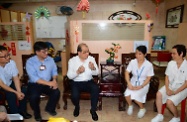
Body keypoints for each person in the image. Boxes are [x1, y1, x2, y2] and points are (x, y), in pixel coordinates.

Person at [151, 44, 187, 122]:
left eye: (174, 53)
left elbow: (186, 83)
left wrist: (175, 92)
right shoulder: (171, 63)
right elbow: (167, 77)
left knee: (169, 102)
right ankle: (160, 115)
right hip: (170, 86)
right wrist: (167, 88)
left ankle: (176, 117)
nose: (171, 55)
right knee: (159, 94)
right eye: (171, 53)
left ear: (181, 54)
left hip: (182, 88)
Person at [26, 41, 60, 121]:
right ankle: (37, 113)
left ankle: (49, 108)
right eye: (43, 51)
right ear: (37, 52)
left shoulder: (50, 60)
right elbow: (34, 78)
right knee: (33, 97)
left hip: (48, 82)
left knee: (56, 92)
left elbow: (54, 71)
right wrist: (49, 83)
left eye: (47, 50)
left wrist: (54, 80)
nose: (46, 53)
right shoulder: (30, 62)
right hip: (35, 84)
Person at [67, 43, 99, 121]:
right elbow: (69, 76)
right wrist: (77, 72)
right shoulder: (72, 61)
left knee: (95, 89)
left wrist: (93, 68)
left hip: (88, 81)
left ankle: (93, 110)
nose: (87, 54)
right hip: (76, 82)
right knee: (74, 95)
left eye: (88, 51)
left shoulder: (91, 59)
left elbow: (97, 73)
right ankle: (77, 107)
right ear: (79, 53)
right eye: (85, 52)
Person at [0, 45, 32, 119]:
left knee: (24, 90)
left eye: (8, 55)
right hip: (1, 88)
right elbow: (2, 85)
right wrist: (16, 93)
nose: (8, 57)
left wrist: (19, 91)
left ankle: (23, 111)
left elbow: (16, 78)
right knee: (11, 95)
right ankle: (15, 116)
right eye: (5, 56)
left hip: (9, 83)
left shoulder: (11, 63)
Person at [124, 45, 154, 118]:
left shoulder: (149, 65)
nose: (137, 55)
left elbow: (148, 78)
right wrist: (129, 83)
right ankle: (130, 106)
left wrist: (141, 86)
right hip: (133, 81)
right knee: (126, 94)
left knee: (135, 96)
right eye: (136, 53)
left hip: (143, 83)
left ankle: (142, 108)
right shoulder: (132, 62)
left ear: (145, 54)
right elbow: (126, 72)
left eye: (140, 54)